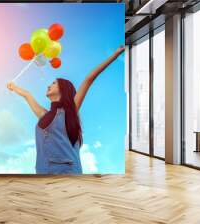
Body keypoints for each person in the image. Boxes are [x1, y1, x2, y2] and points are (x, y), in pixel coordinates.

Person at [7, 46, 125, 174]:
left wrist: (116, 54)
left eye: (53, 83)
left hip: (67, 173)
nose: (49, 85)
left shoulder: (70, 111)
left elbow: (89, 79)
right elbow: (28, 95)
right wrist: (14, 87)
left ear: (63, 89)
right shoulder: (43, 115)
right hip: (43, 173)